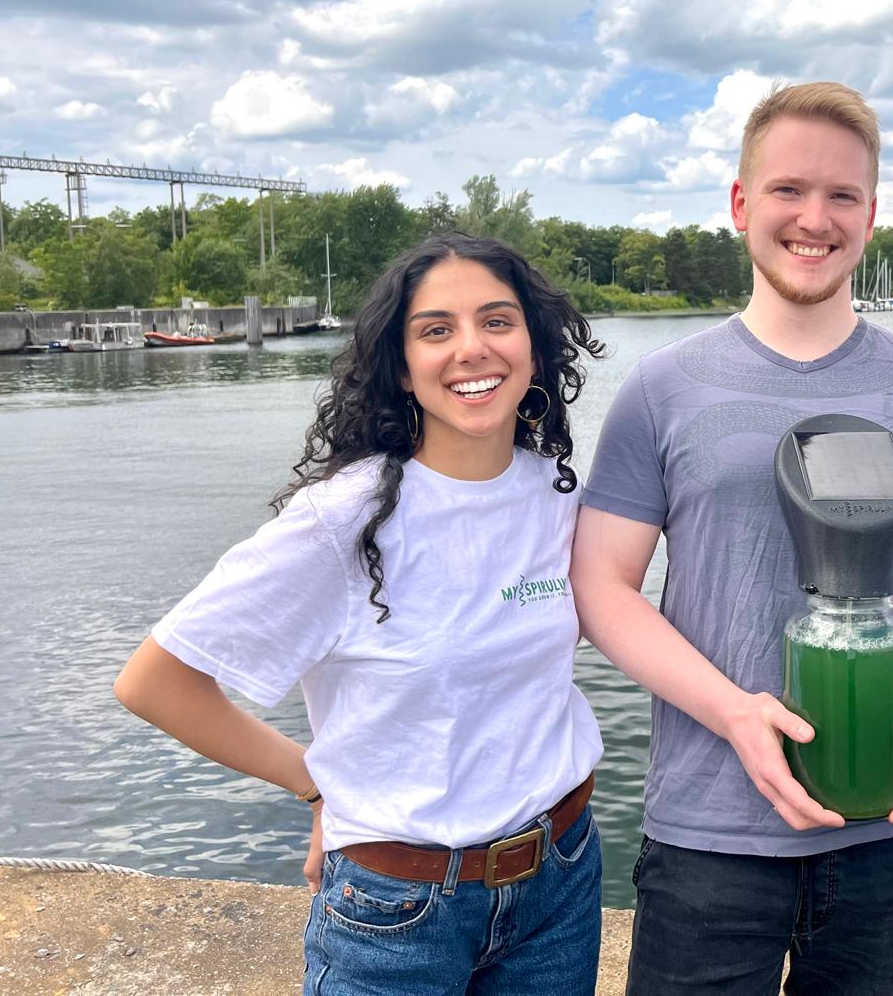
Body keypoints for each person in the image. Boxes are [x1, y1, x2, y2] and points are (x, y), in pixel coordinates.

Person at [571, 81, 893, 995]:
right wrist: (735, 712)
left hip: (889, 825)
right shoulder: (662, 389)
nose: (816, 219)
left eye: (843, 196)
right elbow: (604, 587)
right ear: (741, 204)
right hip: (706, 833)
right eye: (788, 191)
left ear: (872, 214)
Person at [115, 232, 606, 996]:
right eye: (436, 330)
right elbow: (156, 683)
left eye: (498, 321)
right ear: (402, 368)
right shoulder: (343, 520)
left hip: (560, 881)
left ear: (536, 350)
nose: (471, 349)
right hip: (398, 910)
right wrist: (319, 788)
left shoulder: (561, 494)